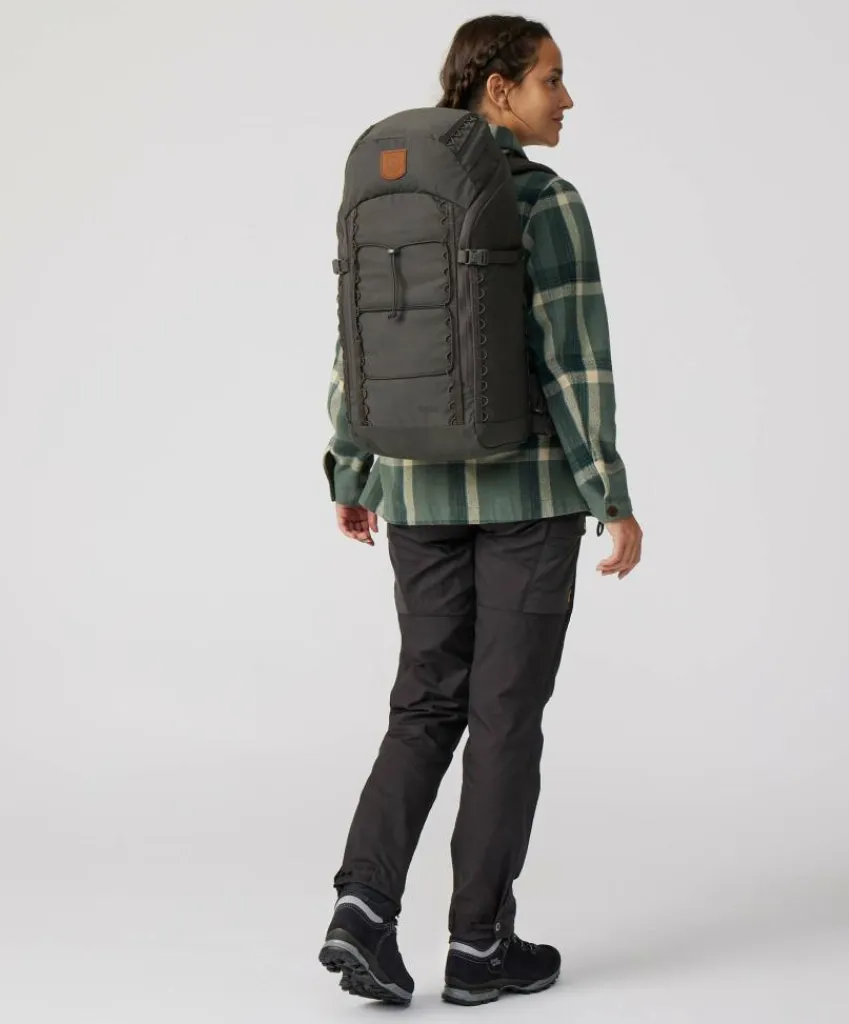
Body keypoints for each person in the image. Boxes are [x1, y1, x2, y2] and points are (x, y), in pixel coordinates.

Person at [317, 14, 643, 1007]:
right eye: (551, 78)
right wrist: (611, 494)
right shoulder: (543, 199)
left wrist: (352, 469)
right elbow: (575, 358)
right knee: (503, 716)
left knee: (424, 702)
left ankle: (361, 909)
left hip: (414, 487)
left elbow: (360, 343)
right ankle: (478, 947)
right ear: (496, 89)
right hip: (527, 496)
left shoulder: (391, 194)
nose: (567, 99)